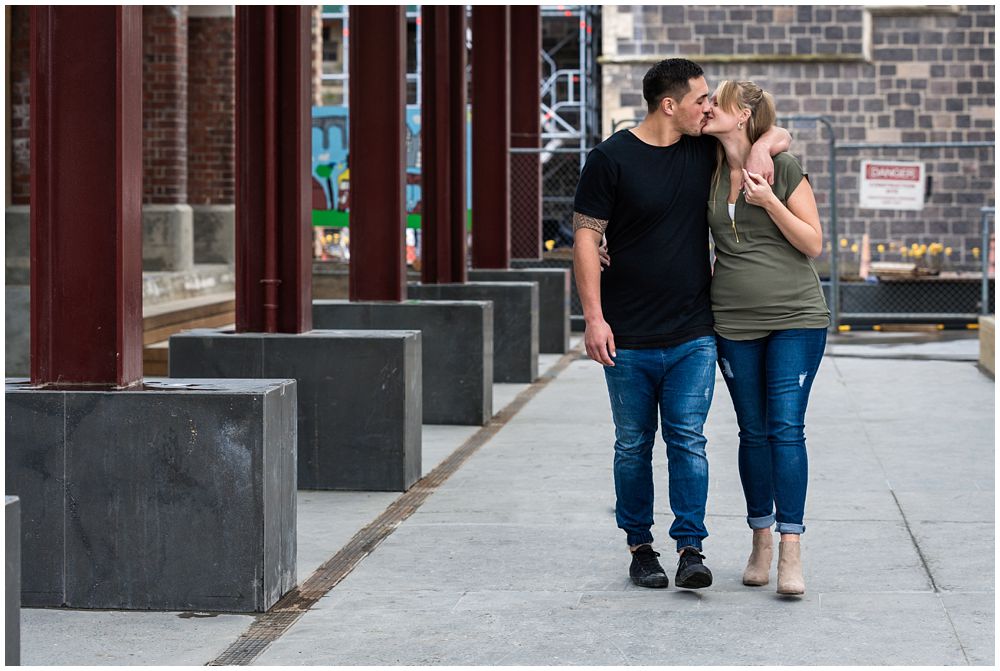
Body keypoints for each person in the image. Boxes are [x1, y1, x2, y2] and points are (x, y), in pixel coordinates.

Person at [572, 58, 790, 590]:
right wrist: (594, 319)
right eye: (701, 99)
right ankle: (640, 547)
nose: (709, 107)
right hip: (625, 333)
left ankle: (691, 547)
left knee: (687, 440)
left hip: (693, 330)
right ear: (669, 104)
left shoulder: (703, 151)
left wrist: (763, 147)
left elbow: (776, 129)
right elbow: (584, 239)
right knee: (632, 445)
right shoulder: (609, 159)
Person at [701, 80, 829, 595]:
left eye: (716, 102)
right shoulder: (704, 167)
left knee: (785, 428)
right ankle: (760, 540)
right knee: (751, 432)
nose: (707, 107)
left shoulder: (785, 168)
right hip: (733, 321)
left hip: (796, 316)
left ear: (745, 112)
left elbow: (813, 243)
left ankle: (791, 550)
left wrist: (769, 199)